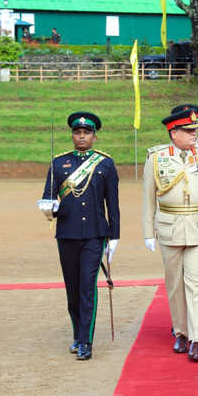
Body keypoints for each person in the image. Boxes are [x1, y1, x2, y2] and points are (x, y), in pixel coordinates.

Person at [141, 105, 198, 363]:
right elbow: (148, 198)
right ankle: (180, 332)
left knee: (196, 283)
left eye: (195, 129)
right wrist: (149, 231)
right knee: (175, 285)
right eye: (188, 130)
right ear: (173, 132)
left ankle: (195, 339)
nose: (194, 134)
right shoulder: (157, 157)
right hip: (168, 227)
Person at [38, 112, 120, 361]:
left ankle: (85, 341)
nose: (81, 136)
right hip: (67, 234)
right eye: (77, 132)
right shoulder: (58, 164)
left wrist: (114, 236)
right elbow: (48, 197)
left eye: (86, 133)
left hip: (95, 235)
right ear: (73, 135)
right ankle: (77, 333)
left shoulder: (105, 164)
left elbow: (112, 204)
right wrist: (48, 208)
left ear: (95, 136)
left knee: (87, 288)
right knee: (73, 291)